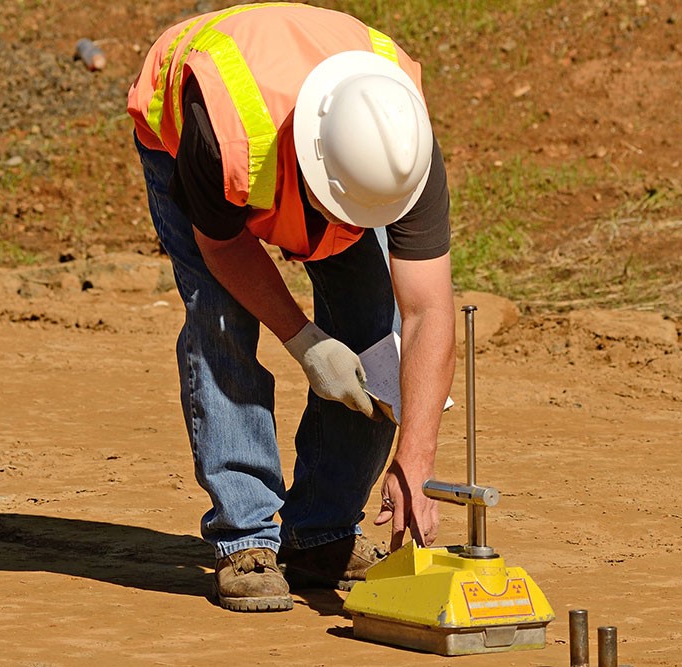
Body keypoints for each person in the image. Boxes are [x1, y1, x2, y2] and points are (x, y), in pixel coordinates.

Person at [127, 3, 454, 613]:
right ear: (312, 164)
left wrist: (416, 459)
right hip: (185, 131)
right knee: (220, 322)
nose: (347, 225)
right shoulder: (221, 129)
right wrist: (305, 341)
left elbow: (428, 312)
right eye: (339, 207)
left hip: (314, 144)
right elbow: (223, 248)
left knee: (371, 329)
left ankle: (320, 534)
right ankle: (244, 537)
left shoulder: (401, 145)